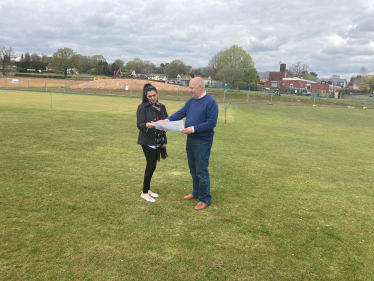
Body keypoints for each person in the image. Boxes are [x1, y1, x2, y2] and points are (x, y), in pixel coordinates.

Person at [161, 77, 218, 211]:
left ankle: (205, 199)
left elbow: (211, 123)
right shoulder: (190, 102)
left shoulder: (211, 102)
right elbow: (181, 113)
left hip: (202, 141)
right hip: (191, 140)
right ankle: (196, 192)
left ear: (200, 87)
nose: (189, 90)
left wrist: (193, 129)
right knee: (193, 169)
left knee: (201, 170)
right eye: (189, 88)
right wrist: (167, 120)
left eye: (191, 88)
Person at [137, 83, 168, 202]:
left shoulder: (162, 107)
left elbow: (166, 120)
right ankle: (144, 192)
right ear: (146, 96)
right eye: (150, 96)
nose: (153, 98)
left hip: (159, 140)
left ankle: (148, 189)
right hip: (147, 140)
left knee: (153, 165)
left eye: (154, 95)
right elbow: (139, 124)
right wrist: (146, 125)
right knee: (150, 165)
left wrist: (167, 125)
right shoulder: (142, 107)